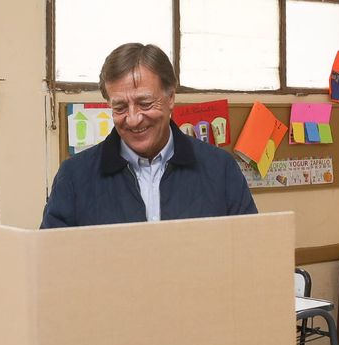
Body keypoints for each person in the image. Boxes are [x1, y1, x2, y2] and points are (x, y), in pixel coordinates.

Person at [40, 43, 257, 229]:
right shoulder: (75, 177)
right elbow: (51, 263)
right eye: (120, 107)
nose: (133, 119)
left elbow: (251, 250)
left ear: (170, 97)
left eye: (145, 104)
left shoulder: (220, 169)